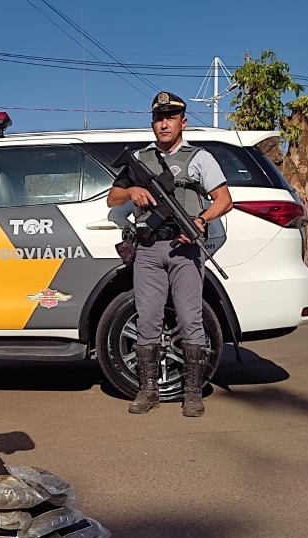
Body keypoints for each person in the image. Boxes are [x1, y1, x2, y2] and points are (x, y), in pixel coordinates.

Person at [107, 92, 233, 418]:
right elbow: (112, 198)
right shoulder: (139, 159)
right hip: (148, 249)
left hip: (185, 249)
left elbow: (224, 199)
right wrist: (132, 190)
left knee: (191, 319)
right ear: (153, 123)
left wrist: (201, 220)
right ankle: (147, 391)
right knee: (147, 319)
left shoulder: (199, 158)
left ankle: (192, 393)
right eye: (159, 118)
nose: (164, 123)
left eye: (171, 118)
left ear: (183, 122)